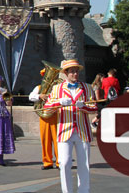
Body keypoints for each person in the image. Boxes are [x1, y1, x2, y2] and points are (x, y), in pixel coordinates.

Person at [44, 59, 97, 193]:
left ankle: (83, 191)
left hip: (82, 130)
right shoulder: (57, 88)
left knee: (84, 164)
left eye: (76, 71)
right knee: (64, 163)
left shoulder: (86, 87)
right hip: (64, 130)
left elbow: (94, 108)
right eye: (72, 71)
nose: (75, 74)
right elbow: (46, 109)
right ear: (66, 73)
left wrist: (84, 106)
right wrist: (59, 103)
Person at [29, 69, 59, 169]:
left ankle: (60, 162)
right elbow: (31, 97)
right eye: (47, 77)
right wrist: (40, 96)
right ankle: (47, 162)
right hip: (44, 116)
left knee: (57, 140)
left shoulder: (58, 88)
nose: (50, 79)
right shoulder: (39, 87)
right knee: (45, 140)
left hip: (55, 115)